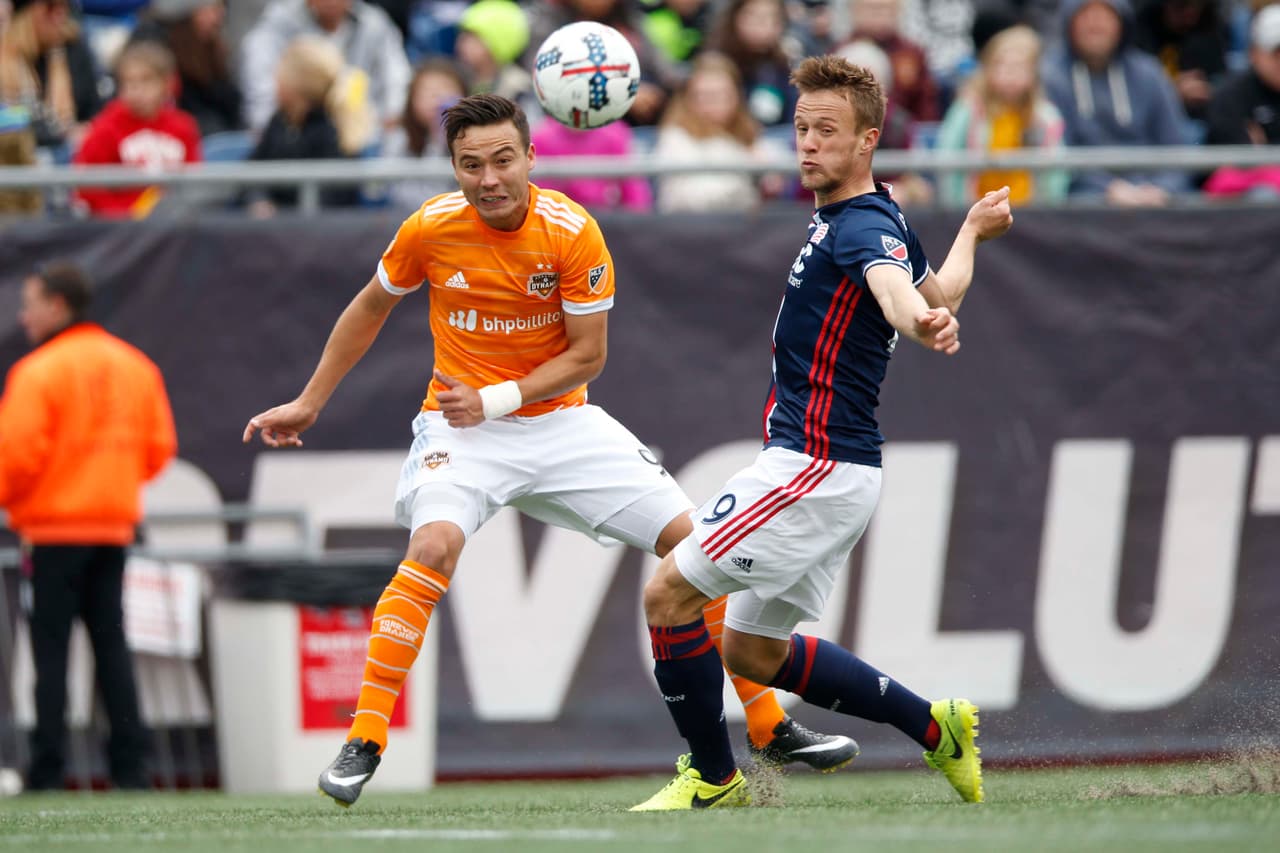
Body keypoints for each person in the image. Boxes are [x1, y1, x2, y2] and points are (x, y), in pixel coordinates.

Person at [242, 92, 857, 808]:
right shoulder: (431, 228)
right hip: (462, 431)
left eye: (504, 158)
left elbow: (588, 356)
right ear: (454, 168)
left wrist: (497, 397)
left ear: (531, 157)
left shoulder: (571, 231)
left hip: (562, 423)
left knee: (696, 546)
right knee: (433, 546)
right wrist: (311, 400)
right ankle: (366, 737)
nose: (489, 177)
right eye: (471, 164)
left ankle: (768, 723)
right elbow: (370, 306)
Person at [629, 54, 1013, 812]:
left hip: (815, 462)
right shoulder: (878, 211)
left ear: (867, 140)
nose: (808, 144)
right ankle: (938, 730)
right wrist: (969, 232)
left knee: (668, 592)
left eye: (827, 131)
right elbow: (938, 291)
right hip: (838, 470)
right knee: (751, 650)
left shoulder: (863, 224)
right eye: (802, 128)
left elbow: (899, 295)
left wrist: (918, 320)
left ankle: (712, 776)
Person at [0, 261, 178, 791]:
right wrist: (114, 484)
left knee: (50, 654)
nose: (23, 315)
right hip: (113, 529)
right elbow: (159, 450)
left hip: (53, 532)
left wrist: (16, 501)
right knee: (111, 648)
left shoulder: (39, 372)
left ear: (58, 305)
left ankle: (48, 770)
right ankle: (130, 769)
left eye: (30, 303)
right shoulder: (135, 366)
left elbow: (14, 456)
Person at [1041, 0, 1192, 206]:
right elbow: (1058, 153)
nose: (1095, 25)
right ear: (1070, 23)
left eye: (1104, 16)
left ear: (1121, 24)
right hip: (1084, 198)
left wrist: (1163, 187)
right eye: (1085, 16)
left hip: (1154, 194)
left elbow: (1175, 145)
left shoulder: (1149, 73)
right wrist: (1106, 189)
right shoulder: (1050, 77)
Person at [935, 24, 1068, 205]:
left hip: (1030, 212)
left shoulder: (1045, 117)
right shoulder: (967, 110)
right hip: (976, 210)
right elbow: (947, 156)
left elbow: (1056, 169)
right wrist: (956, 207)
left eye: (1019, 67)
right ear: (988, 68)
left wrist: (1049, 205)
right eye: (1003, 66)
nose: (1011, 75)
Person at [71, 40, 202, 218]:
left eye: (146, 80)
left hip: (173, 225)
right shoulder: (106, 127)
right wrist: (121, 214)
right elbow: (87, 184)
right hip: (121, 228)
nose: (136, 90)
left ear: (167, 83)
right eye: (128, 82)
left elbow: (194, 181)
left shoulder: (184, 126)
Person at [239, 0, 409, 137]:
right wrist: (272, 127)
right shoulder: (277, 24)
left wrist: (390, 116)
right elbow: (261, 93)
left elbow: (398, 80)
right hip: (294, 132)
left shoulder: (375, 24)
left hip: (368, 135)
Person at [241, 35, 364, 216]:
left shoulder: (334, 132)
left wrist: (283, 216)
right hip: (272, 232)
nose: (275, 82)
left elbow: (329, 203)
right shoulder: (280, 121)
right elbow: (250, 173)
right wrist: (259, 200)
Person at [129, 0, 244, 138]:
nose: (218, 17)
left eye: (220, 9)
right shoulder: (153, 42)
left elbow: (229, 102)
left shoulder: (213, 49)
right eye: (210, 9)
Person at [1201, 3, 1280, 195]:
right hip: (1240, 204)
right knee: (1263, 194)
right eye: (1276, 53)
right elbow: (1240, 160)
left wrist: (1264, 150)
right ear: (1254, 52)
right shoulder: (1230, 94)